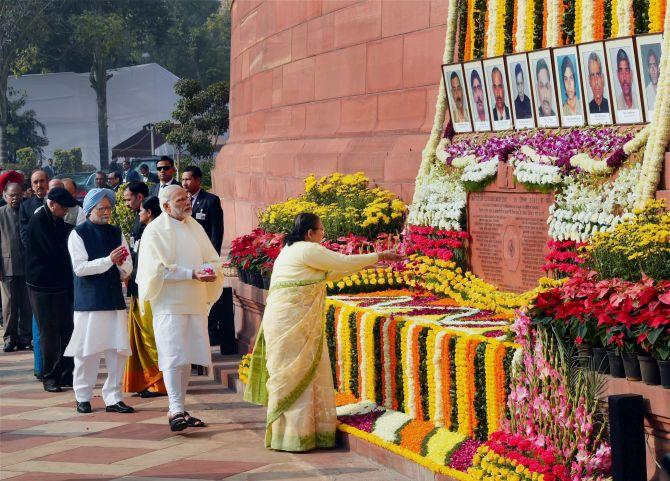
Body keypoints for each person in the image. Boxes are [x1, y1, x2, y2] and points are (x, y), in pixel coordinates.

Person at [244, 213, 404, 451]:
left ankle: (304, 433)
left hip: (287, 321)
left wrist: (369, 262)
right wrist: (379, 255)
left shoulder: (291, 250)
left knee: (301, 373)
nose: (323, 235)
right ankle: (295, 436)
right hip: (291, 323)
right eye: (321, 231)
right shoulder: (307, 249)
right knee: (295, 374)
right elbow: (341, 262)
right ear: (310, 233)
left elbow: (332, 273)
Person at [137, 185, 223, 431]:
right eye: (180, 200)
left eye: (187, 198)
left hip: (194, 300)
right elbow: (154, 272)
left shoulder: (194, 226)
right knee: (173, 355)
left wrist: (209, 270)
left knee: (186, 355)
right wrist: (191, 273)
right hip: (169, 303)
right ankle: (174, 409)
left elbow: (211, 257)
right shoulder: (154, 231)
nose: (187, 203)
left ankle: (180, 407)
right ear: (165, 206)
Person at [64, 189, 134, 414]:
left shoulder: (116, 232)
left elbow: (128, 264)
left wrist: (122, 266)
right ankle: (83, 396)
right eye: (101, 208)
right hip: (89, 303)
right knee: (87, 352)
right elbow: (80, 268)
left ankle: (113, 397)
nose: (106, 212)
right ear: (89, 210)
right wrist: (108, 261)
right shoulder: (78, 233)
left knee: (117, 351)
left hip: (113, 300)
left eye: (108, 208)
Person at [25, 187, 78, 392]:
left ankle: (66, 373)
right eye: (63, 207)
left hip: (61, 284)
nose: (65, 211)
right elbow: (55, 252)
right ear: (52, 203)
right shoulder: (39, 221)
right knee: (49, 333)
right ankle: (50, 376)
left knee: (67, 329)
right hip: (41, 286)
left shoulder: (59, 222)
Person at [181, 166, 231, 350]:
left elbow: (216, 233)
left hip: (205, 259)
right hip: (188, 260)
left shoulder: (210, 201)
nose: (185, 183)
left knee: (208, 296)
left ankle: (211, 332)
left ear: (198, 180)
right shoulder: (180, 201)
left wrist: (211, 259)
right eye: (183, 180)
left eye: (188, 179)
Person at [122, 195, 167, 397]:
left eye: (141, 210)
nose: (138, 214)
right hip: (138, 287)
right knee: (141, 337)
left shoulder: (155, 232)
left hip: (149, 291)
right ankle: (146, 380)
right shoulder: (145, 229)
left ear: (149, 213)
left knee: (151, 336)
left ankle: (160, 382)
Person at [1, 183, 32, 352]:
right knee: (9, 306)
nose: (15, 198)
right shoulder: (0, 214)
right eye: (12, 195)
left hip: (27, 266)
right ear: (5, 195)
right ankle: (9, 338)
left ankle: (25, 337)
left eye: (19, 195)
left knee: (27, 304)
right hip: (7, 266)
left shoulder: (26, 211)